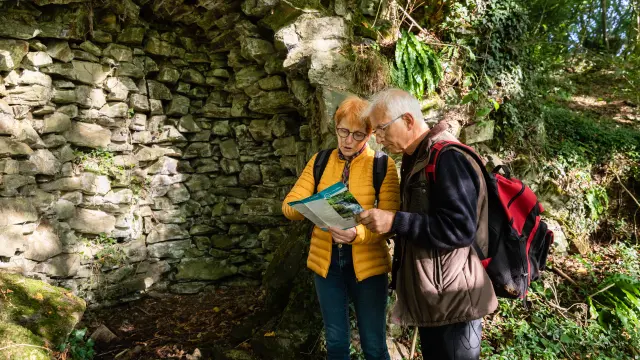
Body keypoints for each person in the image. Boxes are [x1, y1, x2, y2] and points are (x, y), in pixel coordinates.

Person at [356, 89, 497, 360]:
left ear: (408, 121)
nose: (379, 138)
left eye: (382, 129)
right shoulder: (417, 156)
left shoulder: (447, 157)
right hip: (438, 299)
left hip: (456, 302)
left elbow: (460, 228)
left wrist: (396, 220)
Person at [282, 96, 400, 360]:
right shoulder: (320, 161)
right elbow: (289, 206)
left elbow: (390, 223)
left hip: (368, 265)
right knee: (335, 344)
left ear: (370, 134)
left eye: (358, 134)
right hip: (327, 264)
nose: (348, 140)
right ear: (335, 128)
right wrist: (311, 209)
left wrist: (356, 234)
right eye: (343, 131)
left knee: (374, 345)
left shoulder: (383, 165)